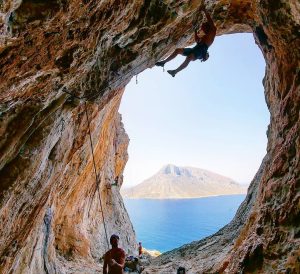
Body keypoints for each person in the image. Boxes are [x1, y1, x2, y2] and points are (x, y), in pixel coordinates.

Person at [156, 6, 216, 77]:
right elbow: (197, 41)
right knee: (177, 50)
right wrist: (195, 31)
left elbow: (210, 20)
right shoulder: (205, 36)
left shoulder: (212, 31)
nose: (203, 30)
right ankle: (163, 62)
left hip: (201, 50)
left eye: (203, 28)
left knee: (189, 58)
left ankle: (175, 71)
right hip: (196, 48)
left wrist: (204, 10)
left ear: (207, 27)